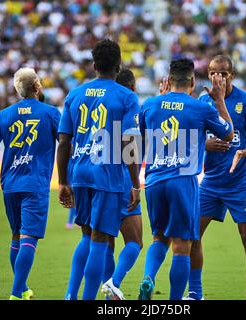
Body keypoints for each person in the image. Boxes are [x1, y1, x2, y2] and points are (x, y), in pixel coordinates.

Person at [138, 58, 234, 300]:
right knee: (182, 246)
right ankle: (175, 302)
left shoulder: (150, 104)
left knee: (159, 238)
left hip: (154, 180)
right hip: (183, 182)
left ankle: (148, 276)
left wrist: (162, 100)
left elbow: (141, 137)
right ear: (193, 81)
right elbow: (228, 134)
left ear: (168, 81)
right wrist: (220, 101)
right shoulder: (201, 108)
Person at [57, 39, 141, 300]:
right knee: (100, 240)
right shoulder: (127, 97)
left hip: (79, 171)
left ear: (94, 65)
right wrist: (135, 182)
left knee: (85, 236)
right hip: (106, 174)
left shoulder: (74, 94)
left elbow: (64, 142)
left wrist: (62, 181)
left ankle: (71, 294)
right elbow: (130, 142)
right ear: (119, 66)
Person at [0, 68, 61, 300]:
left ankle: (22, 289)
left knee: (16, 236)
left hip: (10, 184)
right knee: (29, 238)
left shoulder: (4, 115)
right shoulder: (50, 113)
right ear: (37, 86)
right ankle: (15, 294)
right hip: (35, 185)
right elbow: (66, 144)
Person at [186, 55, 246, 301]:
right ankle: (195, 294)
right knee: (192, 236)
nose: (216, 77)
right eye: (212, 72)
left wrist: (244, 152)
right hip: (210, 182)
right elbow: (190, 139)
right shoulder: (202, 101)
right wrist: (204, 146)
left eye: (221, 73)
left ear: (231, 75)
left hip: (240, 182)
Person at [100, 68, 143, 300]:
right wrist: (135, 184)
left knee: (106, 242)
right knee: (135, 242)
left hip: (100, 180)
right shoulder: (132, 104)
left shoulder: (100, 107)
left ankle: (109, 296)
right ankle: (114, 282)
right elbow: (131, 144)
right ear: (133, 87)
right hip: (124, 181)